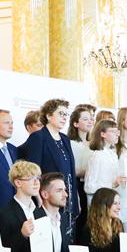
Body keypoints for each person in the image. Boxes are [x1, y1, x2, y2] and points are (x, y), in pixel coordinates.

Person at [19, 98, 79, 233]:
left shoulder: (65, 139)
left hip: (67, 195)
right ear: (49, 116)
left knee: (67, 236)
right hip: (47, 197)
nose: (64, 118)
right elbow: (33, 171)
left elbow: (70, 170)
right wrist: (38, 196)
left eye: (66, 114)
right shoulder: (38, 137)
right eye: (61, 114)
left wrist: (75, 198)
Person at [84, 118, 122, 207]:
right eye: (113, 131)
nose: (117, 134)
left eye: (117, 131)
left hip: (110, 201)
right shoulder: (97, 155)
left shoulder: (113, 154)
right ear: (103, 134)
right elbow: (89, 187)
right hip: (99, 203)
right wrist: (112, 184)